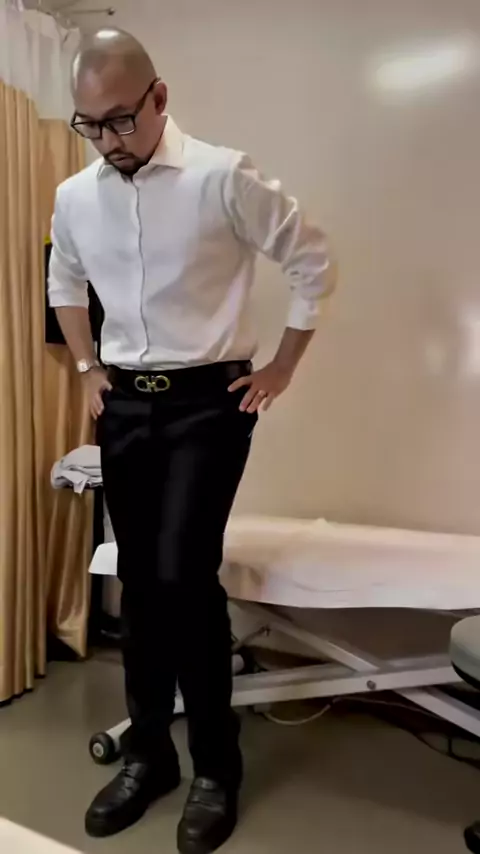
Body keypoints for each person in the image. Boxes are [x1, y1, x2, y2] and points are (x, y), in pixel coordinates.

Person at [48, 27, 334, 854]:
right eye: (90, 125)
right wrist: (85, 368)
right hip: (125, 406)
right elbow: (64, 278)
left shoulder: (223, 176)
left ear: (160, 97)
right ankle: (150, 756)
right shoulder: (75, 196)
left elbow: (313, 261)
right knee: (140, 583)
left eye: (121, 120)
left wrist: (281, 365)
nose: (108, 140)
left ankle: (216, 767)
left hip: (210, 405)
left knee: (182, 577)